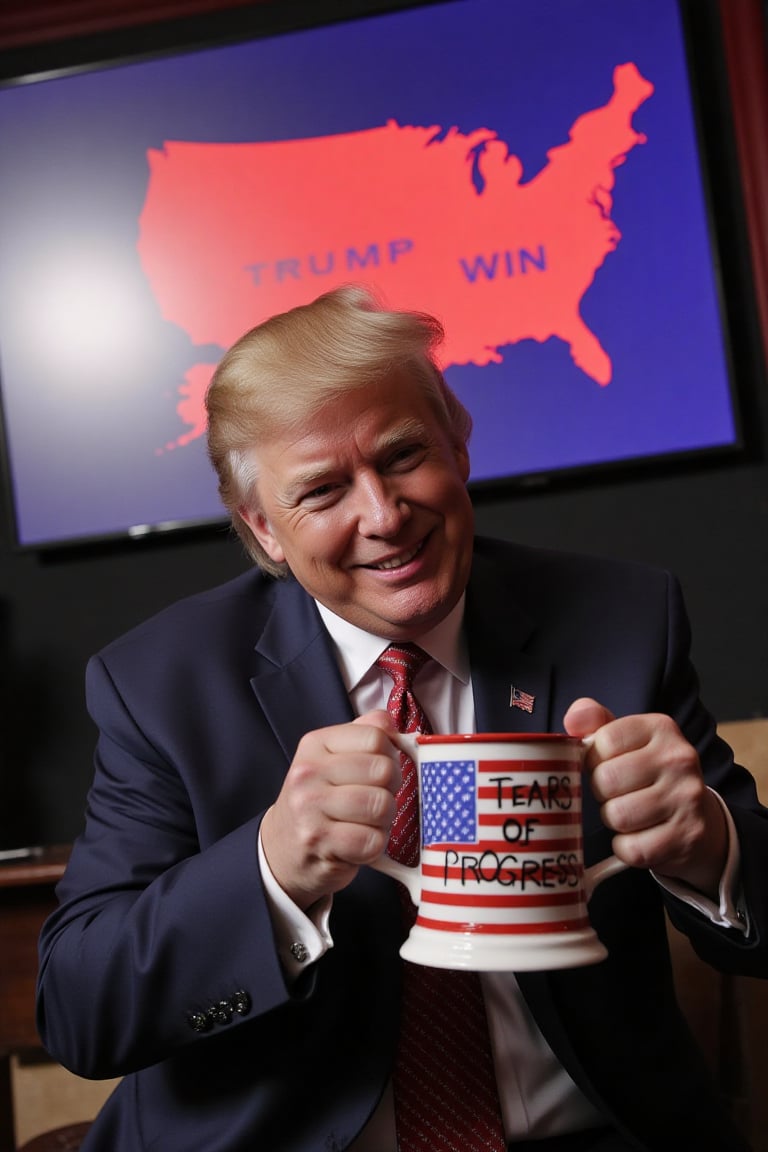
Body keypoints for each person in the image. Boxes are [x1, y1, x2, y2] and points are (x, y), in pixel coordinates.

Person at [37, 285, 768, 1152]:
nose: (383, 517)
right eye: (320, 492)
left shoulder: (622, 616)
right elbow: (80, 1012)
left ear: (458, 445)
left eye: (404, 454)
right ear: (263, 528)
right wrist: (272, 869)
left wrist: (709, 848)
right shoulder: (159, 683)